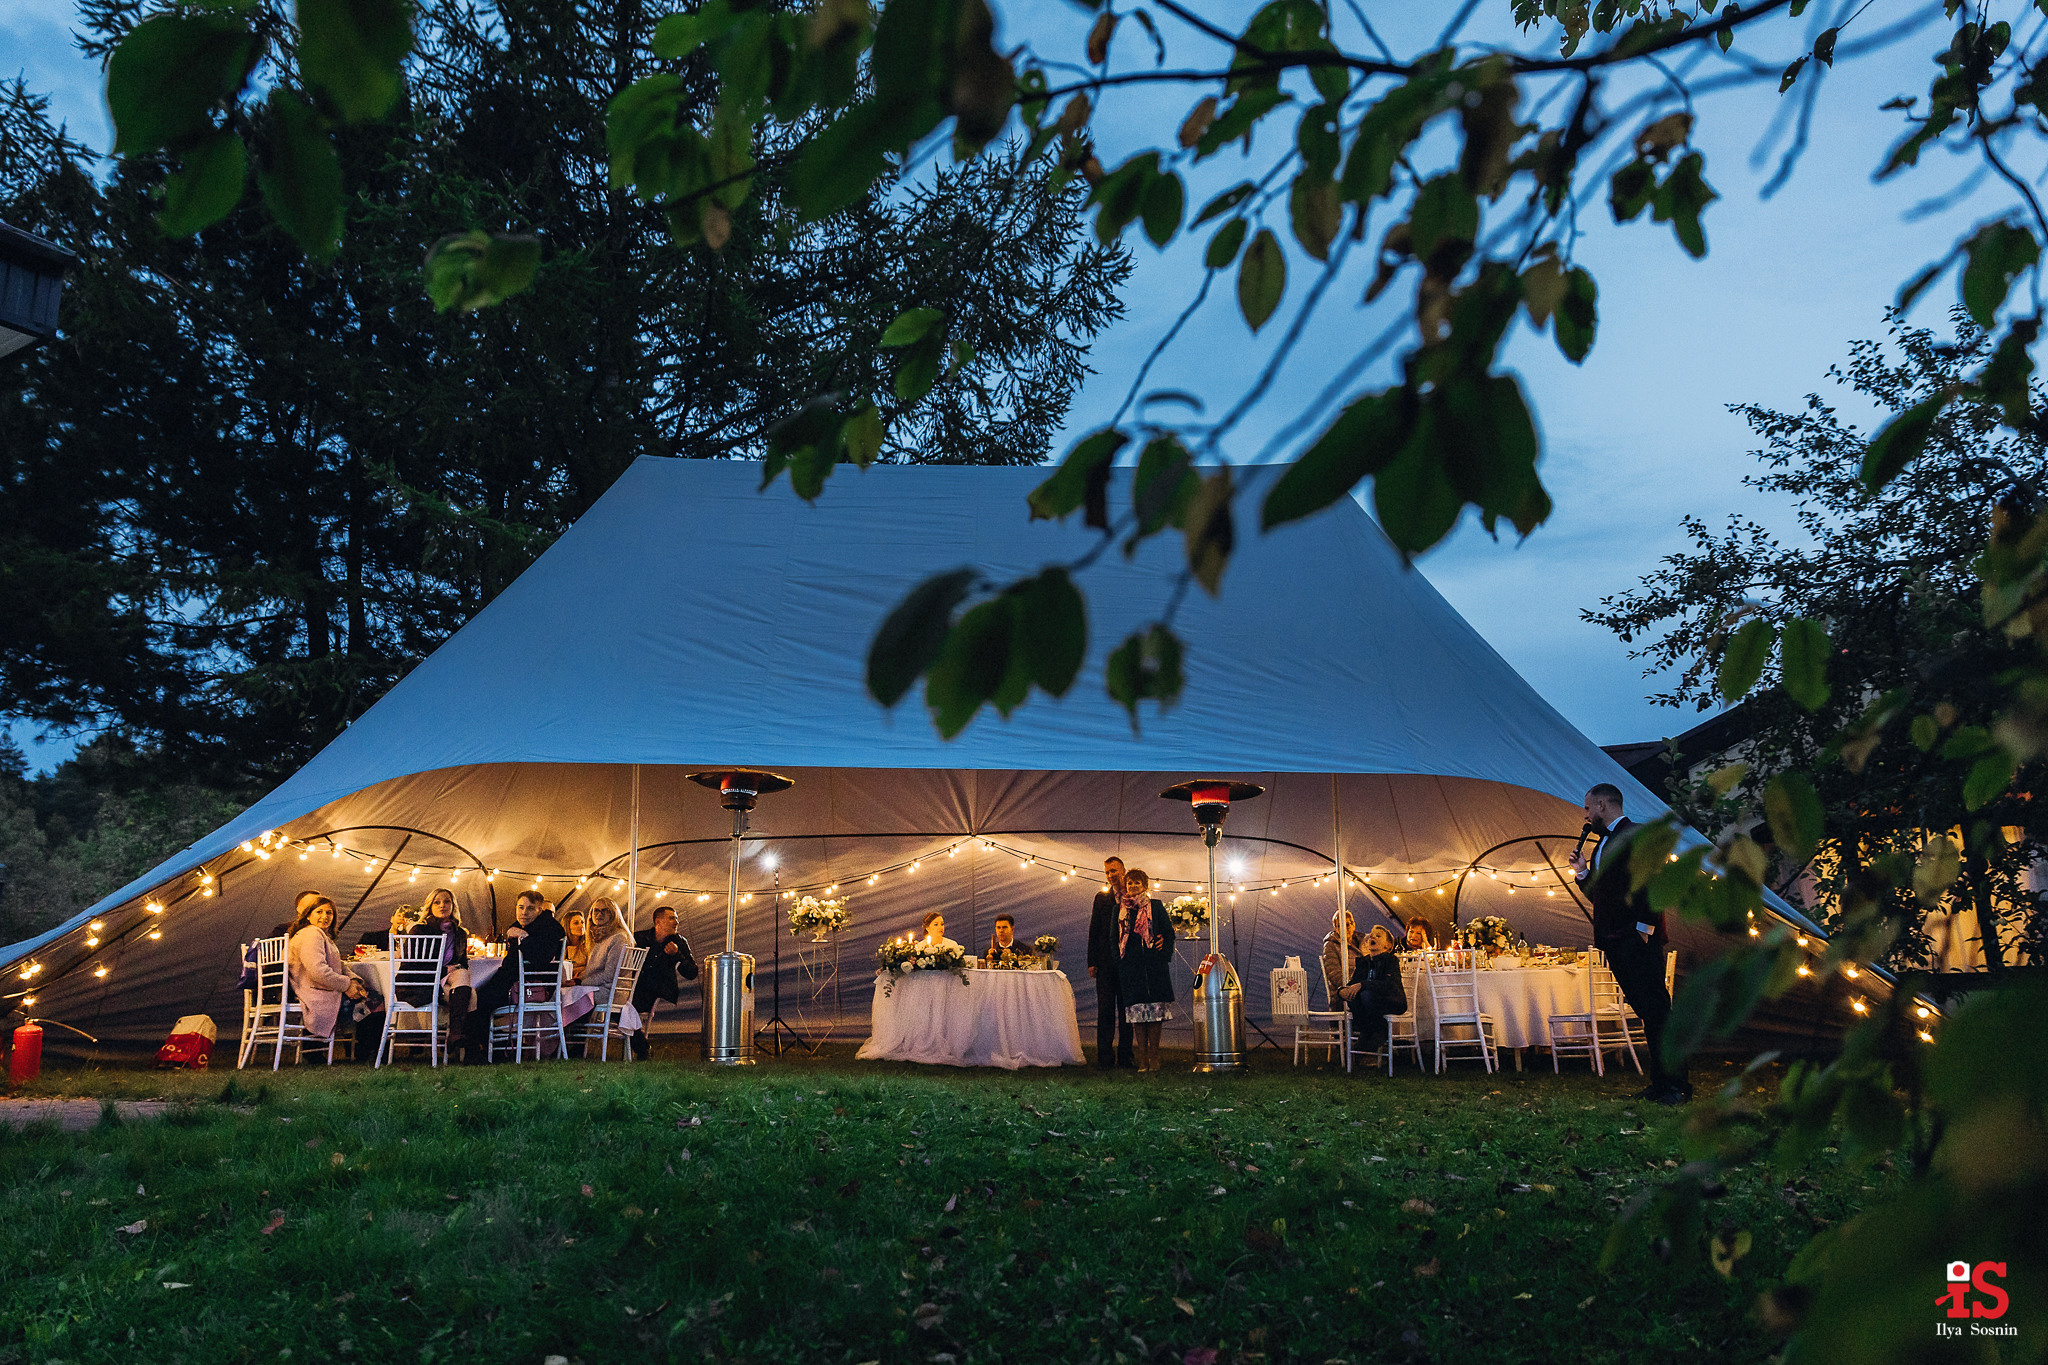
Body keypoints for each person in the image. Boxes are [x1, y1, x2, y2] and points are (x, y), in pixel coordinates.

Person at [1569, 783, 1690, 1104]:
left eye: (1587, 808)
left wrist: (1645, 927)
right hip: (1614, 939)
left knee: (1658, 1011)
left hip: (1637, 938)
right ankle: (1661, 1083)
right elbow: (1602, 896)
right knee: (1648, 1012)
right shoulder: (1601, 847)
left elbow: (1653, 879)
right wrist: (1582, 873)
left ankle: (1677, 1085)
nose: (1586, 814)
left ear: (1603, 804)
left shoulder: (1637, 835)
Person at [463, 889, 565, 1060]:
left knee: (477, 1000)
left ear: (540, 910)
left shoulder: (549, 928)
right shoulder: (525, 926)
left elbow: (540, 959)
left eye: (530, 908)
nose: (524, 912)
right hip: (513, 982)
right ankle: (483, 1049)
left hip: (527, 987)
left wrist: (524, 938)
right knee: (473, 996)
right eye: (520, 907)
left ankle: (480, 1052)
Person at [287, 897, 376, 1058]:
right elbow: (318, 971)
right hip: (314, 991)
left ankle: (357, 1051)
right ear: (308, 915)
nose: (325, 916)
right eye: (319, 912)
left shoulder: (319, 935)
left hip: (321, 987)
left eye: (329, 913)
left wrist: (353, 981)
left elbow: (339, 965)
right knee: (374, 1002)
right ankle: (366, 1053)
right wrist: (347, 986)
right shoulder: (311, 934)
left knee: (366, 996)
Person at [1117, 869, 1176, 1072]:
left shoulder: (1156, 906)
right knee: (1138, 1015)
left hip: (1154, 968)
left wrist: (1163, 949)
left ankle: (1154, 1056)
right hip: (1131, 969)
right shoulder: (1120, 909)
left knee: (1154, 1014)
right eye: (1130, 882)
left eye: (1137, 883)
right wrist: (1120, 964)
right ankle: (1142, 1058)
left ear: (1145, 885)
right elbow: (1112, 939)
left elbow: (1168, 933)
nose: (1133, 886)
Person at [1086, 855, 1137, 1070]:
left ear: (1123, 871)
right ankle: (1104, 1058)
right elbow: (1094, 930)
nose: (1110, 875)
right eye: (1107, 872)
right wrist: (1092, 960)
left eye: (1114, 871)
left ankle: (1125, 1057)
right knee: (1105, 1010)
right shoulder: (1101, 898)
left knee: (1127, 1011)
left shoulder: (1135, 897)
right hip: (1105, 963)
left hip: (1127, 962)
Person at [630, 905, 699, 1060]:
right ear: (658, 922)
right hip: (633, 986)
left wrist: (678, 955)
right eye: (672, 918)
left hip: (657, 988)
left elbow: (692, 973)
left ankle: (641, 1048)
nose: (677, 921)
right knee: (619, 1006)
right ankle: (642, 1045)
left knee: (624, 1007)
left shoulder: (679, 942)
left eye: (676, 918)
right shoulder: (639, 938)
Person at [1338, 925, 1409, 1059]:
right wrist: (1342, 991)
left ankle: (1372, 1033)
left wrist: (1363, 985)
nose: (1372, 937)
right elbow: (1354, 983)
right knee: (1354, 997)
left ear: (1387, 946)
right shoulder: (1364, 962)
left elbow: (1389, 985)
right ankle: (1371, 1031)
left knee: (1366, 994)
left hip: (1391, 1000)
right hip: (1371, 1004)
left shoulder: (1391, 960)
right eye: (1371, 935)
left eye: (1378, 936)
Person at [578, 899, 632, 987]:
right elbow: (592, 972)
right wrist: (577, 980)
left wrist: (580, 983)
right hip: (596, 987)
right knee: (562, 992)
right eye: (596, 910)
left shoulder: (618, 938)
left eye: (605, 911)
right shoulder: (598, 937)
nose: (599, 914)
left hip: (610, 990)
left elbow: (609, 975)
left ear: (613, 914)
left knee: (565, 995)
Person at [1320, 909, 1364, 1004]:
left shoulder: (1364, 942)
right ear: (1335, 928)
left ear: (1353, 925)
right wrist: (1352, 986)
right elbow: (1334, 974)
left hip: (1362, 988)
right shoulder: (1331, 945)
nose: (1345, 928)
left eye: (1347, 924)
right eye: (1340, 925)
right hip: (1342, 993)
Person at [562, 911, 590, 981]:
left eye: (582, 922)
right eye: (576, 923)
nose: (581, 926)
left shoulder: (589, 944)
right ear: (567, 926)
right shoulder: (561, 945)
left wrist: (571, 970)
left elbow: (592, 968)